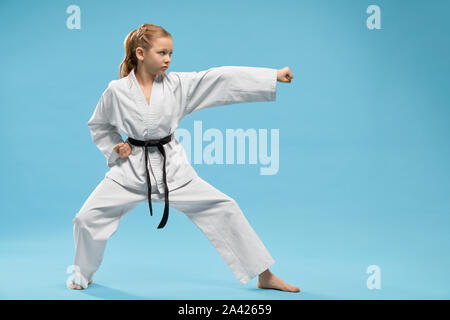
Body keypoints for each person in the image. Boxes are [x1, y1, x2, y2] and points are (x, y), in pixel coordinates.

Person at [68, 23, 299, 293]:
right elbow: (99, 125)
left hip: (172, 170)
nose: (168, 59)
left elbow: (220, 79)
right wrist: (115, 146)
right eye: (162, 52)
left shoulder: (178, 85)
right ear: (141, 53)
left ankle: (264, 275)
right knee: (86, 218)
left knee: (224, 207)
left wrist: (271, 77)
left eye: (171, 54)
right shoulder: (116, 90)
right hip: (130, 172)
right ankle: (82, 273)